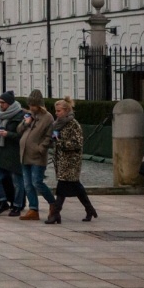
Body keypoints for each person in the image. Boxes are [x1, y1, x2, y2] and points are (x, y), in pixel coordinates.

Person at [49, 96, 97, 224]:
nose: (56, 113)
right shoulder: (58, 124)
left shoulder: (73, 124)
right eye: (56, 111)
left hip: (71, 161)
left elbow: (77, 143)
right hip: (61, 160)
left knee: (62, 187)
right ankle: (89, 209)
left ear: (66, 110)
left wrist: (60, 143)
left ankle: (55, 214)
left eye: (58, 111)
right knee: (76, 187)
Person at [18, 89, 57, 220]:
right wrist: (25, 122)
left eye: (33, 105)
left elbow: (49, 137)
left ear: (39, 105)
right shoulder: (29, 114)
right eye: (29, 105)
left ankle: (53, 203)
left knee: (37, 182)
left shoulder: (48, 118)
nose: (31, 107)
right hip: (24, 154)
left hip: (37, 156)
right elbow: (19, 130)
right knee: (27, 184)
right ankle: (33, 209)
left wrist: (41, 148)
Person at [0, 91, 26, 216]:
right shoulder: (0, 114)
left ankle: (17, 205)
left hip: (14, 153)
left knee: (17, 181)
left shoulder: (21, 116)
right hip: (1, 151)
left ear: (10, 104)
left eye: (3, 102)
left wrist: (8, 134)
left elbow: (24, 135)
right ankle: (2, 201)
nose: (0, 105)